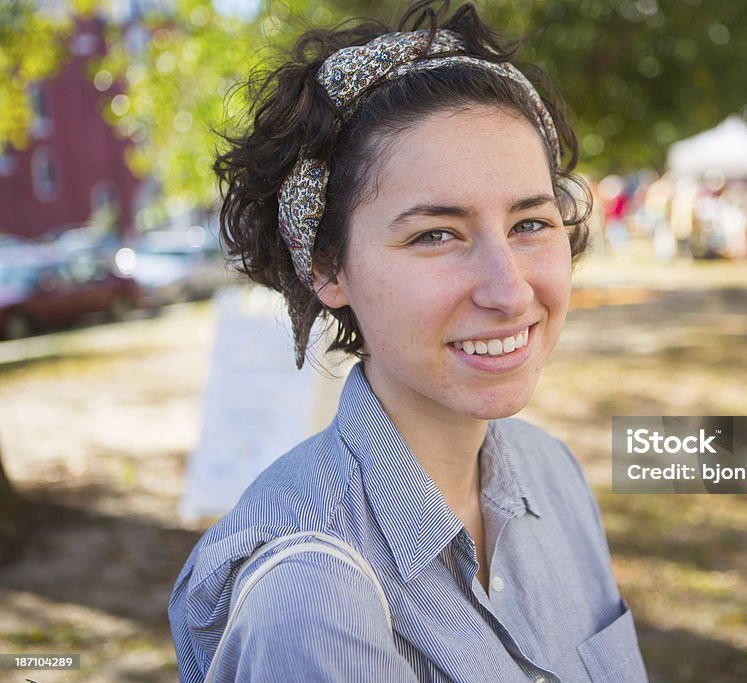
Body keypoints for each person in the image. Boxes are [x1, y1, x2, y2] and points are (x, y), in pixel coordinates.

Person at [168, 1, 647, 680]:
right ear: (329, 267)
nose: (509, 291)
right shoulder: (313, 597)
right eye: (435, 234)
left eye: (530, 223)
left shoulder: (555, 476)